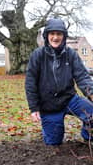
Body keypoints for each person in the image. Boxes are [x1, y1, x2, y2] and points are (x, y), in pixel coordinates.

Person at [25, 18, 93, 147]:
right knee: (54, 143)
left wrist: (91, 93)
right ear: (47, 36)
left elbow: (82, 77)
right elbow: (30, 83)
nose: (55, 37)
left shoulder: (71, 54)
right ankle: (50, 131)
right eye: (52, 34)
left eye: (59, 34)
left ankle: (88, 138)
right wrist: (34, 108)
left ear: (64, 36)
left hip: (69, 99)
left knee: (92, 114)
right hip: (49, 106)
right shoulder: (37, 55)